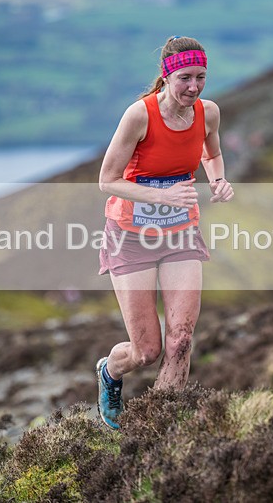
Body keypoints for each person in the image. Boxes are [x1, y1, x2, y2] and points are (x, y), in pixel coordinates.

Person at [95, 35, 234, 429]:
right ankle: (109, 372)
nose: (194, 87)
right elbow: (107, 180)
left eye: (201, 77)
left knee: (182, 339)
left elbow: (212, 152)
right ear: (166, 75)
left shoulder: (209, 113)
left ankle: (158, 427)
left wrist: (219, 180)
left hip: (181, 235)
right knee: (147, 351)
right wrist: (165, 195)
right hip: (130, 236)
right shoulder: (139, 116)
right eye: (185, 78)